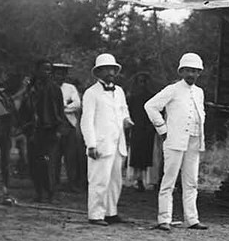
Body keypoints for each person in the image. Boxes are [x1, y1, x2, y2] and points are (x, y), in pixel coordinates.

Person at [145, 52, 208, 231]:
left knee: (191, 182)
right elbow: (150, 106)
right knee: (169, 180)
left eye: (195, 71)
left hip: (194, 140)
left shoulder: (199, 92)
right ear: (181, 72)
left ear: (199, 73)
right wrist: (162, 129)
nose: (191, 75)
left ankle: (192, 219)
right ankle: (164, 218)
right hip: (175, 140)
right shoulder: (172, 89)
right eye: (188, 70)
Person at [81, 54, 132, 226]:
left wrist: (126, 119)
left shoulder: (119, 91)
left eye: (113, 69)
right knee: (99, 180)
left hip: (118, 143)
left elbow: (124, 110)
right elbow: (86, 121)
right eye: (107, 69)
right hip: (101, 143)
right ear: (99, 72)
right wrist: (91, 144)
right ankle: (95, 214)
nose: (110, 72)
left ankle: (111, 212)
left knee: (115, 180)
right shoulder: (91, 93)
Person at [20, 58, 65, 203]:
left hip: (50, 130)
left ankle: (50, 193)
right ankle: (38, 192)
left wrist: (58, 130)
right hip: (33, 131)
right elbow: (23, 109)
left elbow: (59, 111)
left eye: (49, 69)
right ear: (37, 70)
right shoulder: (29, 89)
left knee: (49, 163)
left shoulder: (55, 89)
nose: (47, 72)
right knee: (34, 163)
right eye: (44, 69)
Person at [52, 62, 85, 191]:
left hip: (69, 125)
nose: (60, 76)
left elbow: (77, 104)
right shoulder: (49, 87)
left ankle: (72, 183)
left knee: (71, 156)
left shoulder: (70, 88)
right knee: (54, 156)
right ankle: (54, 183)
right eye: (57, 73)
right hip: (54, 125)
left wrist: (63, 108)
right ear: (53, 74)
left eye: (62, 74)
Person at [127, 71, 159, 191]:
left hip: (149, 130)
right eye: (140, 81)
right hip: (136, 129)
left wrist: (154, 126)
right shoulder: (132, 98)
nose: (142, 84)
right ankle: (138, 180)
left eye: (144, 81)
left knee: (150, 155)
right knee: (136, 155)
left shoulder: (153, 97)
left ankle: (150, 181)